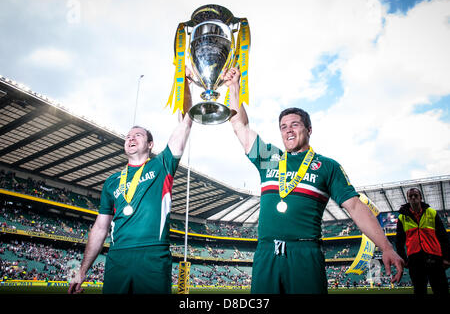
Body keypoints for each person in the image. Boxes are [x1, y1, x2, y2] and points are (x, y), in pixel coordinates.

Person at [222, 67, 404, 294]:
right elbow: (240, 125)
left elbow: (355, 207)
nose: (288, 131)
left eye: (294, 125)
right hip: (266, 253)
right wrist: (233, 87)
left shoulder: (327, 166)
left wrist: (385, 246)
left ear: (309, 129)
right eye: (283, 127)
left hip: (305, 253)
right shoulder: (270, 158)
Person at [68, 73, 193, 294]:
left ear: (151, 144)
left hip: (153, 255)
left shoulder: (162, 165)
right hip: (118, 257)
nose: (131, 138)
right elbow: (99, 228)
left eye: (138, 135)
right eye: (127, 136)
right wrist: (82, 270)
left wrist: (184, 87)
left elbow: (186, 122)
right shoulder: (112, 182)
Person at [395, 187, 449, 295]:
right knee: (419, 291)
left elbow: (443, 237)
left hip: (434, 257)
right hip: (415, 260)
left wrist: (447, 258)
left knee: (441, 290)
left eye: (416, 195)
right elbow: (399, 242)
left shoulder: (432, 213)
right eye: (411, 196)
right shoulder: (402, 218)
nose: (413, 198)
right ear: (408, 199)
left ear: (421, 197)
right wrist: (404, 260)